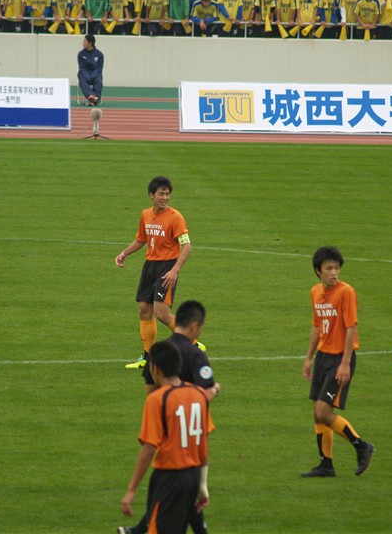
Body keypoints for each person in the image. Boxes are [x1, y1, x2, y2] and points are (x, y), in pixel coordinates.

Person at [121, 300, 217, 534]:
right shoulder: (197, 394)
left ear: (155, 370)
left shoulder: (158, 390)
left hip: (168, 470)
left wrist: (131, 489)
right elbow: (203, 441)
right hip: (193, 468)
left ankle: (137, 530)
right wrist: (202, 485)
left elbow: (148, 448)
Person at [301, 246, 374, 478]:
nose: (334, 273)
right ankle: (326, 465)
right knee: (317, 412)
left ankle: (362, 446)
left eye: (337, 268)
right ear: (318, 271)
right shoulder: (315, 292)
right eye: (329, 268)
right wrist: (309, 358)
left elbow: (351, 327)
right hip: (323, 357)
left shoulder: (346, 292)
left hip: (340, 358)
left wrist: (345, 363)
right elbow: (316, 326)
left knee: (324, 411)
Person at [115, 176, 191, 370]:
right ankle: (147, 357)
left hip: (167, 267)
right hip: (150, 266)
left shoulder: (175, 217)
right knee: (144, 310)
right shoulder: (146, 215)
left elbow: (186, 247)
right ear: (151, 195)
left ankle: (191, 342)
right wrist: (125, 253)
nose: (165, 198)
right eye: (161, 194)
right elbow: (141, 239)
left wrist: (175, 270)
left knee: (162, 313)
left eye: (167, 194)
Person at [77, 34, 104, 105]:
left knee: (99, 81)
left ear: (90, 43)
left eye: (85, 41)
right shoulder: (81, 54)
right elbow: (81, 67)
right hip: (84, 74)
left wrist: (92, 76)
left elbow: (99, 68)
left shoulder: (99, 54)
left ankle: (95, 98)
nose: (83, 43)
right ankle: (90, 96)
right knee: (82, 80)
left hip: (95, 74)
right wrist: (87, 76)